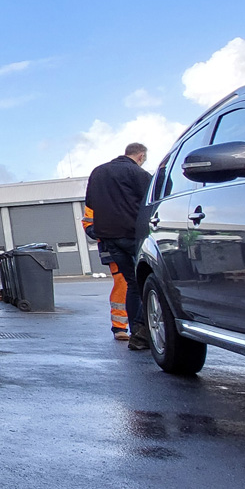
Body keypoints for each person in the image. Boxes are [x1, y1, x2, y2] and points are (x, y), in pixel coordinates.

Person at [84, 142, 152, 350]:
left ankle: (135, 333)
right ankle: (141, 332)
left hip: (109, 239)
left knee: (131, 284)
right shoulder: (138, 174)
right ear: (140, 156)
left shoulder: (98, 173)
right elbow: (152, 201)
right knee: (148, 282)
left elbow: (90, 205)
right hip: (134, 235)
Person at [82, 205, 129, 341]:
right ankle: (120, 326)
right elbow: (89, 225)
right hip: (113, 244)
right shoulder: (99, 194)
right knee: (123, 283)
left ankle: (140, 326)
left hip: (127, 241)